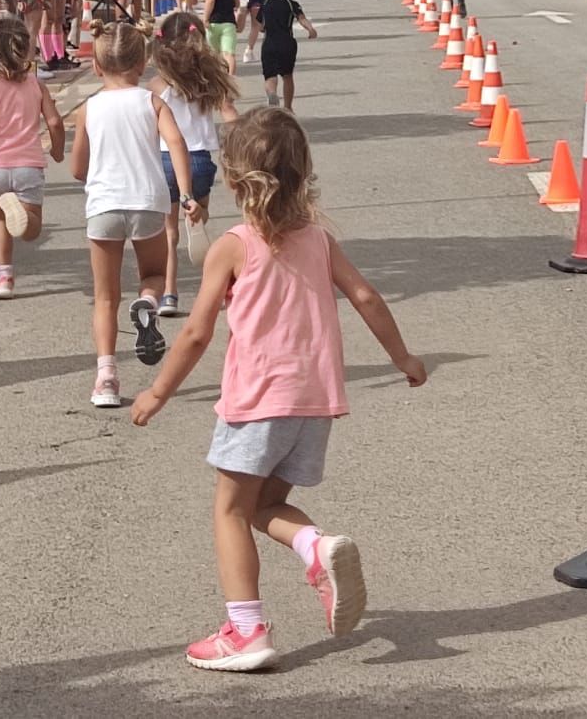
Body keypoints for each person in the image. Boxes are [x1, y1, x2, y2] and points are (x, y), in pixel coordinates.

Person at [129, 107, 428, 673]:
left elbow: (195, 332)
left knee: (230, 510)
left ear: (237, 181)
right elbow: (365, 297)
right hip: (315, 403)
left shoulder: (234, 245)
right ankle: (315, 547)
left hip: (257, 401)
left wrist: (158, 392)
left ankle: (247, 631)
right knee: (265, 504)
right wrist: (403, 357)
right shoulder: (319, 240)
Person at [70, 23, 197, 409]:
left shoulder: (89, 108)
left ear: (95, 65)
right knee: (154, 274)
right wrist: (187, 193)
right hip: (148, 200)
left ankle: (106, 378)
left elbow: (78, 167)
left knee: (105, 297)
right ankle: (147, 301)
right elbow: (176, 143)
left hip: (104, 204)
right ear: (143, 63)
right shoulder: (152, 102)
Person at [0, 16, 65, 299]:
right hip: (27, 164)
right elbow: (55, 123)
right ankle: (20, 214)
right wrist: (57, 150)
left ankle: (3, 278)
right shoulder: (36, 85)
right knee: (30, 230)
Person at [151, 11, 239, 315]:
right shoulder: (209, 78)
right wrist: (240, 142)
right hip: (200, 160)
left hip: (166, 160)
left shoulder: (157, 85)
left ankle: (170, 294)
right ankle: (210, 288)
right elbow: (229, 114)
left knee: (168, 231)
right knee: (199, 218)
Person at [258, 0, 318, 112]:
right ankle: (288, 107)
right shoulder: (291, 4)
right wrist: (311, 30)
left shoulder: (266, 4)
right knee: (287, 75)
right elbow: (302, 19)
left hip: (269, 42)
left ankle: (272, 94)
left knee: (270, 75)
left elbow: (261, 26)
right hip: (287, 43)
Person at [204, 0, 241, 75]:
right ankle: (231, 78)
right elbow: (237, 3)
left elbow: (210, 1)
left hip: (213, 24)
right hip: (229, 23)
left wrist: (205, 18)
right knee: (229, 54)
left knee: (213, 53)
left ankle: (216, 77)